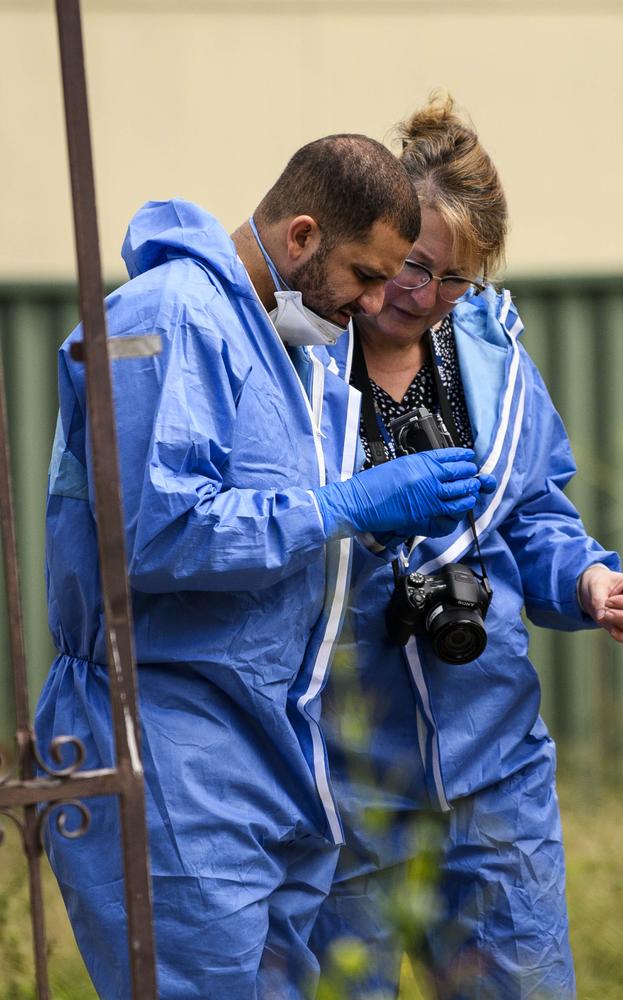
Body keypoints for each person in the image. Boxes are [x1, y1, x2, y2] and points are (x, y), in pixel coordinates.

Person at [35, 134, 500, 1000]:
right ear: (301, 235)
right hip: (164, 734)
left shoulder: (280, 345)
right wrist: (344, 506)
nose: (372, 305)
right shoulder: (168, 316)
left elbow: (254, 523)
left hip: (259, 742)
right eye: (365, 275)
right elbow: (153, 533)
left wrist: (368, 520)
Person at [308, 93, 623, 1000]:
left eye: (455, 280)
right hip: (348, 786)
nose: (423, 296)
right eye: (412, 264)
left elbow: (535, 511)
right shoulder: (304, 361)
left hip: (495, 774)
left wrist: (586, 579)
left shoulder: (494, 364)